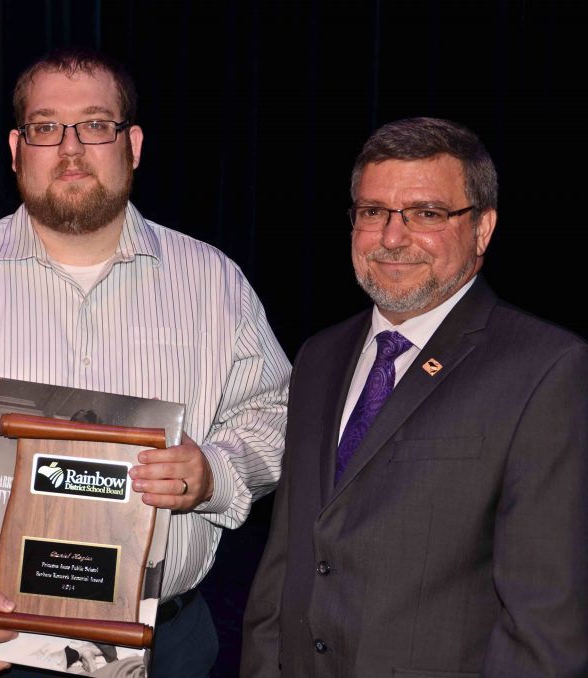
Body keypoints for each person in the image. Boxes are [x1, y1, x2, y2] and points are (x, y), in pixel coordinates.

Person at [0, 46, 291, 677]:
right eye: (44, 127)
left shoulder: (215, 283)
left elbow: (272, 417)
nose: (70, 147)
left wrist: (212, 473)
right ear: (15, 148)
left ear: (133, 144)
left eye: (95, 124)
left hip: (165, 648)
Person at [241, 117, 588, 676]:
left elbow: (546, 621)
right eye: (373, 212)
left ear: (482, 228)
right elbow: (284, 569)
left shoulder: (546, 369)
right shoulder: (318, 357)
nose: (392, 238)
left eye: (427, 214)